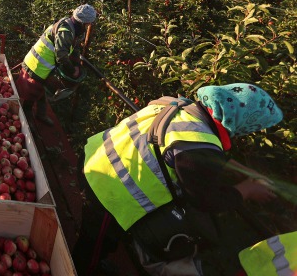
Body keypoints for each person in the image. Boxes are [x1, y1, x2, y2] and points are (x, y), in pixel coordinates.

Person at [72, 83, 284, 276]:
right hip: (109, 190)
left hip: (96, 158)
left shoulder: (183, 109)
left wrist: (243, 172)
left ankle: (93, 261)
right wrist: (246, 190)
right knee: (96, 241)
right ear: (244, 122)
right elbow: (204, 199)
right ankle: (83, 268)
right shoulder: (198, 146)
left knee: (99, 237)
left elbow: (200, 152)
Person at [15, 4, 97, 126]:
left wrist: (76, 64)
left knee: (42, 90)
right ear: (83, 23)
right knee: (32, 91)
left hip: (43, 65)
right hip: (37, 64)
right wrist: (71, 70)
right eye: (88, 24)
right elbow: (61, 55)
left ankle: (40, 114)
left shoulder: (71, 27)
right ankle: (26, 118)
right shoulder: (66, 31)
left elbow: (74, 48)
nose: (88, 26)